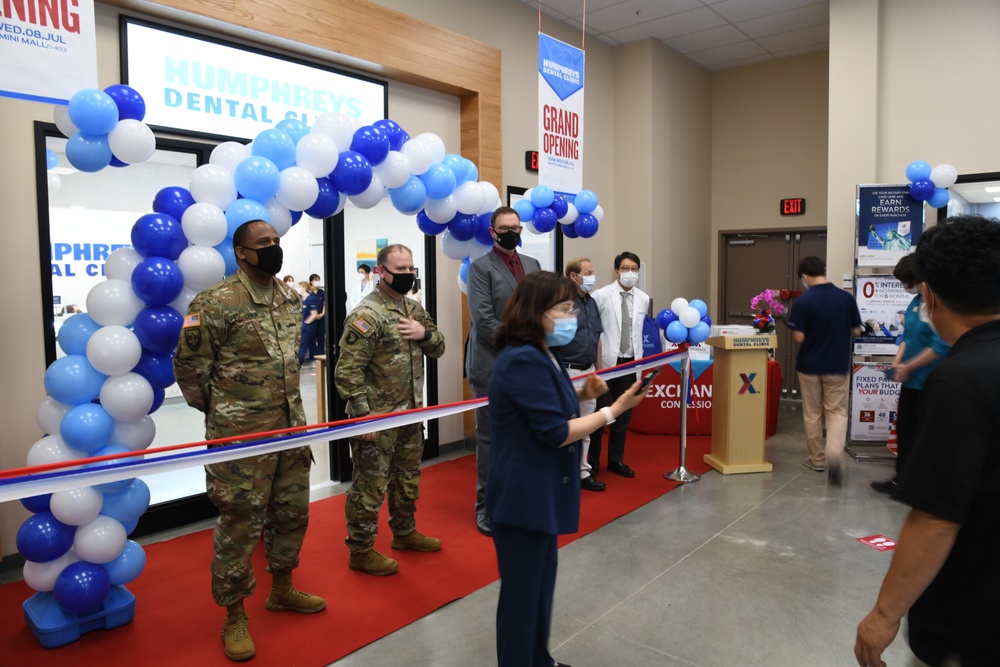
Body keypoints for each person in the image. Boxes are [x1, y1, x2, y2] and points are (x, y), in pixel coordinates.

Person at [173, 219, 325, 662]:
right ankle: (234, 615)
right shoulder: (216, 302)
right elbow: (190, 370)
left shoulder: (288, 297)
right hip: (241, 440)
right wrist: (226, 414)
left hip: (290, 430)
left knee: (291, 513)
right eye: (264, 244)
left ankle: (282, 588)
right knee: (239, 525)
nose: (274, 249)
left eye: (277, 242)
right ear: (241, 252)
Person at [854, 215, 1000, 667]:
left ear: (930, 294)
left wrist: (883, 614)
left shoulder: (959, 380)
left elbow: (937, 519)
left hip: (974, 620)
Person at [487, 270, 646, 667]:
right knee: (522, 598)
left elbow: (540, 401)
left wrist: (581, 391)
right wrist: (614, 409)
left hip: (541, 493)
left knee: (540, 588)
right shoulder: (523, 358)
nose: (571, 315)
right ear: (535, 312)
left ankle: (539, 659)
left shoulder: (543, 352)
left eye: (571, 306)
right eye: (562, 308)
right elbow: (555, 432)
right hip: (523, 495)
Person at [335, 244, 445, 576]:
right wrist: (362, 414)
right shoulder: (366, 315)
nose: (407, 276)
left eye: (411, 270)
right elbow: (348, 370)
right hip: (378, 417)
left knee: (407, 478)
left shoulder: (413, 309)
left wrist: (423, 333)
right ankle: (361, 549)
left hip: (411, 413)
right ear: (381, 272)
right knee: (370, 485)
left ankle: (404, 532)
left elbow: (438, 346)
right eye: (400, 270)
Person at [466, 206, 542, 536]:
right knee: (491, 440)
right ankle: (487, 506)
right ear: (492, 232)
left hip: (527, 365)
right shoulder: (481, 268)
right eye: (504, 227)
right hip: (492, 365)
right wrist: (524, 343)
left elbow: (542, 311)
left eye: (516, 226)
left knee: (524, 436)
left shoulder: (533, 266)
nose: (512, 232)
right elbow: (484, 321)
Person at [870, 254, 949, 494]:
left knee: (925, 437)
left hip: (930, 381)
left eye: (906, 282)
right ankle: (901, 480)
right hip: (909, 381)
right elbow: (906, 335)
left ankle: (922, 485)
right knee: (905, 431)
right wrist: (897, 362)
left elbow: (941, 345)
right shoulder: (916, 302)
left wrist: (910, 366)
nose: (905, 287)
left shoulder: (938, 304)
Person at [787, 256, 862, 485]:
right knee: (837, 412)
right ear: (823, 271)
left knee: (812, 414)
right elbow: (857, 332)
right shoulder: (845, 298)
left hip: (809, 366)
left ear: (804, 277)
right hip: (837, 365)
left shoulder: (802, 302)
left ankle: (817, 460)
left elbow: (799, 337)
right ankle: (834, 456)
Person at [589, 251, 650, 478]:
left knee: (623, 416)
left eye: (634, 269)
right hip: (606, 364)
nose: (630, 273)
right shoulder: (601, 295)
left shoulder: (643, 298)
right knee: (599, 415)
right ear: (617, 271)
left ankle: (616, 460)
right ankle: (592, 464)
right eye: (625, 269)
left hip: (631, 363)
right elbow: (594, 330)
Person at [550, 257, 605, 492]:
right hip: (567, 370)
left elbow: (597, 338)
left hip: (588, 370)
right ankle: (559, 473)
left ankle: (582, 472)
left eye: (593, 271)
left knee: (586, 426)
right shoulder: (562, 303)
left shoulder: (591, 303)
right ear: (574, 276)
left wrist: (600, 370)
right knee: (565, 425)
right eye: (588, 272)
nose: (592, 276)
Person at [298, 281, 323, 367]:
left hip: (308, 326)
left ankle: (299, 362)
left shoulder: (311, 299)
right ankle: (317, 359)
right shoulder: (301, 299)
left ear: (305, 287)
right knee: (311, 344)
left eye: (300, 287)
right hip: (303, 326)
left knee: (303, 344)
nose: (299, 289)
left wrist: (306, 323)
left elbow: (314, 314)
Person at [308, 273, 326, 358]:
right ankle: (313, 356)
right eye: (315, 280)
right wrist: (314, 315)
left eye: (318, 280)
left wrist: (322, 313)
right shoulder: (308, 292)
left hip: (321, 318)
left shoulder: (322, 292)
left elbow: (324, 304)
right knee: (312, 339)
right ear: (311, 281)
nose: (317, 281)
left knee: (321, 338)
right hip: (312, 319)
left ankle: (321, 356)